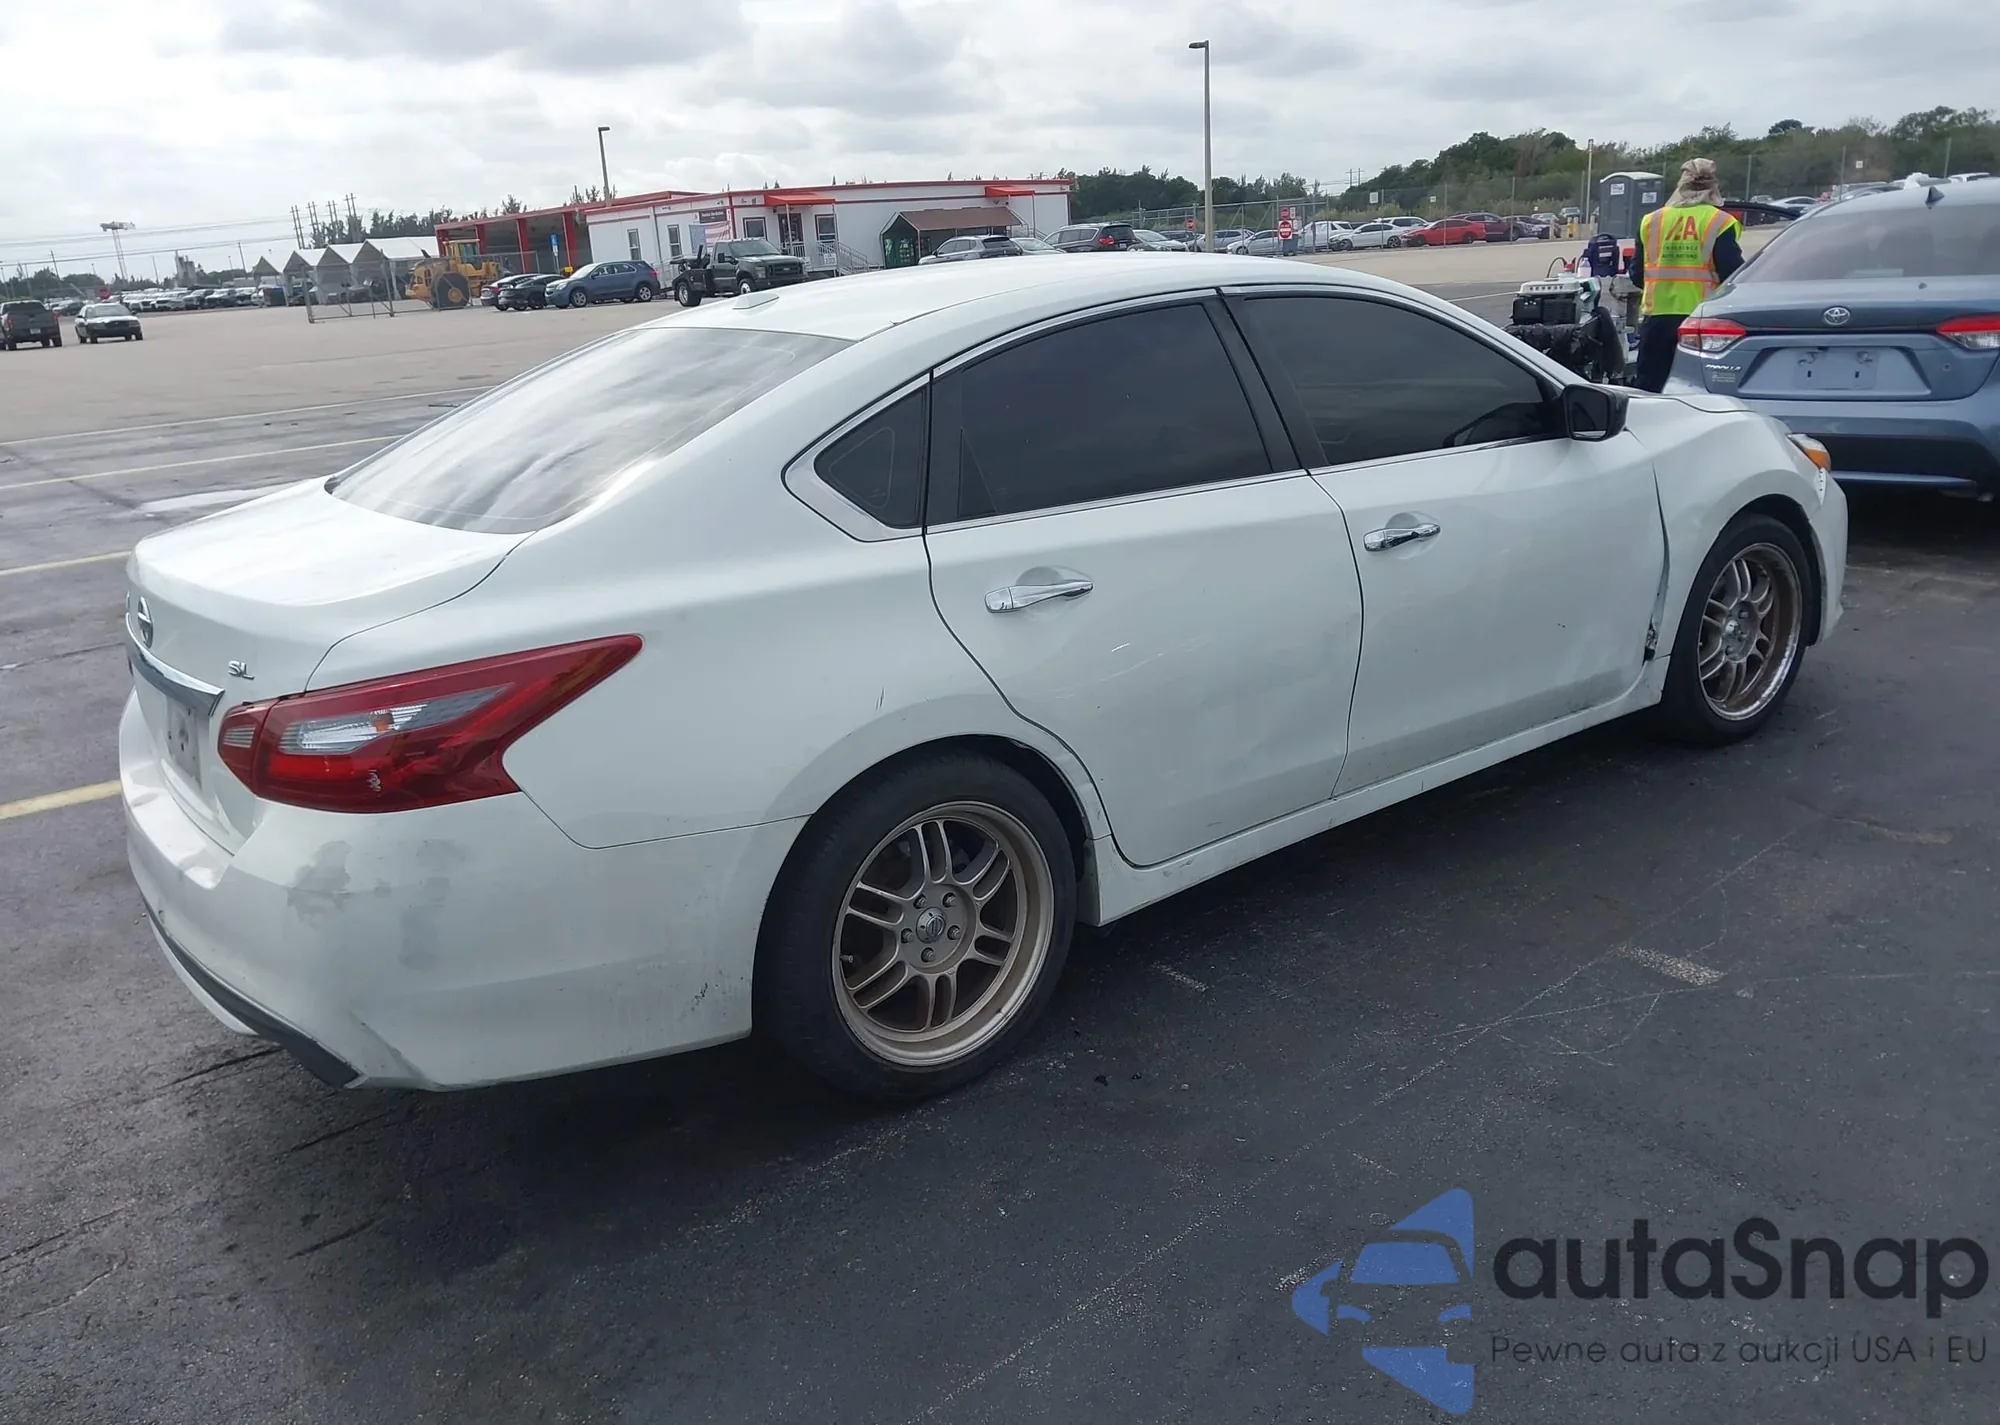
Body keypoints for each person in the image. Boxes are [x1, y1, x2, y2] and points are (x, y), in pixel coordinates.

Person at [1631, 157, 1743, 392]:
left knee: (1650, 389)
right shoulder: (1719, 221)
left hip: (1657, 318)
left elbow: (1637, 273)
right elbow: (1732, 274)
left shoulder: (1652, 220)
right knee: (1698, 389)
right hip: (1701, 318)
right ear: (1712, 187)